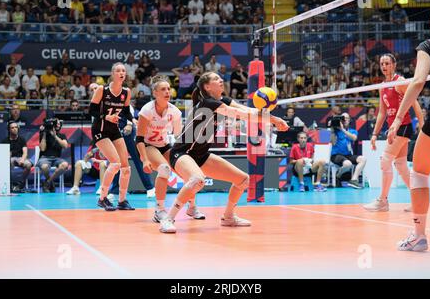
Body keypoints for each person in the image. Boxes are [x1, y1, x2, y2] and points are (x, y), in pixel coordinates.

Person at [158, 71, 289, 233]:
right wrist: (274, 119)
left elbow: (247, 109)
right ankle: (168, 219)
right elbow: (240, 115)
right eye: (216, 79)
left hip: (201, 155)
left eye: (220, 78)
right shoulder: (208, 103)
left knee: (242, 180)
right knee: (197, 179)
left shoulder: (223, 101)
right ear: (207, 87)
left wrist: (273, 118)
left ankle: (228, 217)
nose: (221, 80)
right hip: (181, 153)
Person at [387, 2, 430, 251]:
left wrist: (398, 118)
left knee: (419, 172)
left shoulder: (428, 46)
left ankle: (419, 236)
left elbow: (419, 80)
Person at [136, 75, 205, 223]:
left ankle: (192, 207)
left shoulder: (175, 112)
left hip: (165, 145)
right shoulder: (147, 110)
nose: (167, 92)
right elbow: (139, 139)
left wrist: (185, 155)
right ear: (155, 93)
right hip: (148, 145)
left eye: (169, 89)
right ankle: (159, 210)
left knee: (188, 173)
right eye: (163, 89)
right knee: (164, 169)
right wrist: (145, 159)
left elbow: (178, 136)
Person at [364, 54, 424, 212]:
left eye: (387, 63)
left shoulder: (400, 82)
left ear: (394, 65)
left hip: (403, 127)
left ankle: (382, 201)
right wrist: (375, 134)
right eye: (382, 63)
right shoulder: (382, 86)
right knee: (401, 165)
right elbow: (382, 113)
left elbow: (415, 103)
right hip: (392, 128)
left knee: (385, 161)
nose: (384, 66)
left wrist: (422, 125)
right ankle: (419, 199)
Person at [88, 62, 136, 211]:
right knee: (115, 164)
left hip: (114, 129)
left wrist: (134, 120)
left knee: (126, 167)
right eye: (118, 70)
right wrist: (105, 117)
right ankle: (102, 198)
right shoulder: (103, 89)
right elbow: (91, 111)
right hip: (100, 129)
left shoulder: (126, 92)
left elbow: (126, 111)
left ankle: (122, 201)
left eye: (123, 71)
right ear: (113, 74)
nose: (121, 73)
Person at [330, 112, 367, 189]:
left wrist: (343, 130)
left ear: (350, 120)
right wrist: (332, 130)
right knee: (348, 164)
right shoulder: (335, 131)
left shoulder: (353, 131)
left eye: (347, 118)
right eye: (343, 118)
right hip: (336, 155)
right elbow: (333, 143)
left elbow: (354, 138)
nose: (345, 120)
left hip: (348, 155)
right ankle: (338, 175)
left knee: (363, 159)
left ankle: (354, 179)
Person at [38, 118, 69, 192]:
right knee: (44, 167)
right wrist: (44, 134)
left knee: (65, 165)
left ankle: (47, 182)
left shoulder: (62, 135)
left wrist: (55, 136)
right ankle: (51, 183)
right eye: (56, 123)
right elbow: (42, 149)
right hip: (44, 158)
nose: (58, 125)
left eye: (59, 124)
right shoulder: (43, 134)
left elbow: (65, 146)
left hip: (57, 159)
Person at [2, 121, 33, 192]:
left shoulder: (22, 139)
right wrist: (8, 156)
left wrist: (22, 159)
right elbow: (3, 154)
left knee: (28, 164)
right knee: (8, 164)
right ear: (9, 130)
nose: (15, 129)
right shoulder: (5, 141)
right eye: (12, 128)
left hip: (20, 158)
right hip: (11, 159)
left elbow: (25, 152)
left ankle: (21, 182)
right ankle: (10, 184)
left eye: (16, 127)